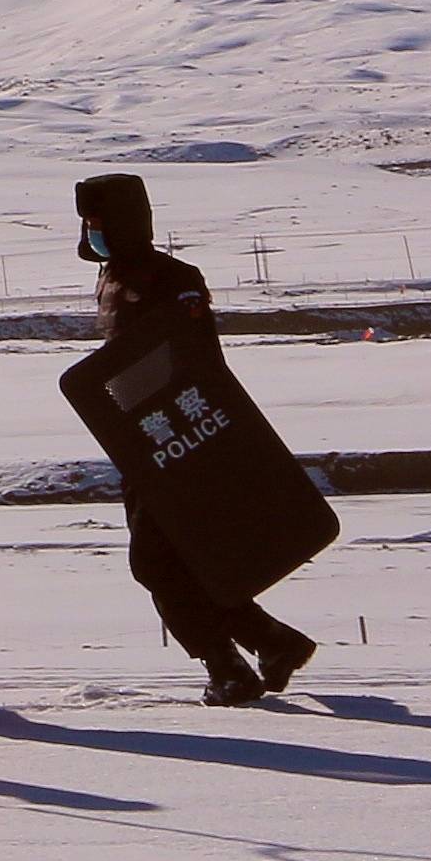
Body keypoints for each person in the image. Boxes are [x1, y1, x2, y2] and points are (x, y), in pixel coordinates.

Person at [81, 171, 319, 707]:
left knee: (156, 562)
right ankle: (268, 642)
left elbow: (192, 355)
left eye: (98, 221)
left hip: (185, 437)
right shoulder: (109, 276)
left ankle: (231, 662)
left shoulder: (173, 276)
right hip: (140, 437)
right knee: (178, 559)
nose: (92, 231)